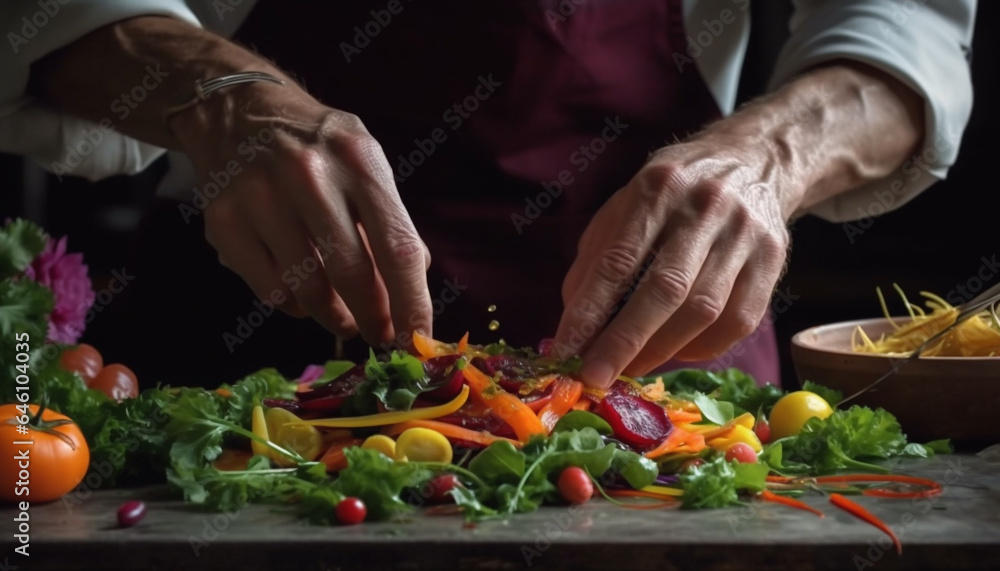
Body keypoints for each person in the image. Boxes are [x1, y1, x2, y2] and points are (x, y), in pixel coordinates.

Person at [0, 1, 974, 389]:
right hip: (244, 340)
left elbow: (904, 19)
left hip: (661, 363)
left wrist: (766, 160)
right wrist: (224, 98)